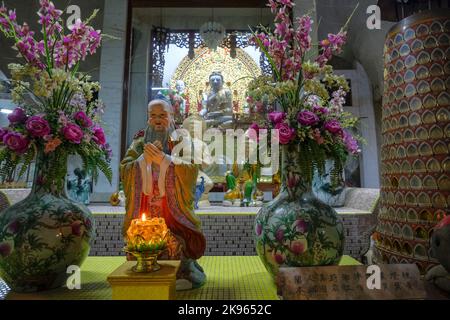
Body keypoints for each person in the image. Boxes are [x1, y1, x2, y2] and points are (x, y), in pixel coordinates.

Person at [120, 99, 206, 289]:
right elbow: (125, 168)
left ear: (172, 117)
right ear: (148, 118)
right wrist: (143, 160)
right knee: (140, 238)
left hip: (173, 210)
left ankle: (184, 272)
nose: (157, 120)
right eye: (153, 116)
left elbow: (192, 169)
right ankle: (144, 270)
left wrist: (164, 159)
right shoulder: (140, 142)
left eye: (162, 115)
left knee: (175, 243)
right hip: (146, 207)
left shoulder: (182, 141)